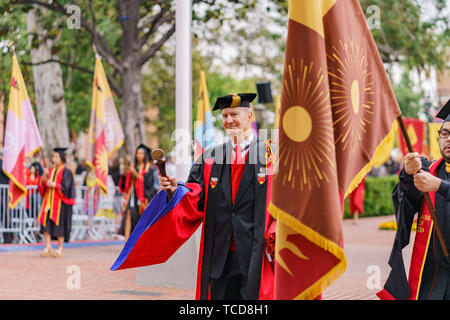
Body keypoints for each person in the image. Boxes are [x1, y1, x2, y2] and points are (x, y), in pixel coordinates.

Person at [158, 93, 275, 300]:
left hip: (255, 253)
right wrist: (176, 190)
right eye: (225, 116)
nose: (229, 121)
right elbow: (196, 196)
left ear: (249, 117)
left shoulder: (270, 155)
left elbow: (284, 201)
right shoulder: (210, 158)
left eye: (234, 114)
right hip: (219, 253)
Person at [378, 99, 450, 300]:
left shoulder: (434, 179)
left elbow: (438, 187)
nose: (448, 139)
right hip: (432, 279)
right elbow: (406, 204)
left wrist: (440, 186)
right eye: (444, 133)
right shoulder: (429, 170)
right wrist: (408, 177)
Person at [38, 147, 75, 258]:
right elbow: (42, 186)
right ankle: (48, 246)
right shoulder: (50, 170)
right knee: (46, 223)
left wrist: (54, 184)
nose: (54, 159)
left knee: (59, 226)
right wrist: (44, 177)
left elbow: (67, 188)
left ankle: (60, 248)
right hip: (49, 202)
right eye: (53, 157)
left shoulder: (66, 172)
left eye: (56, 157)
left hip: (60, 204)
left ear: (62, 158)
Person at [118, 144, 157, 240]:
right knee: (128, 215)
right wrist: (127, 163)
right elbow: (125, 176)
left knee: (142, 219)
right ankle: (126, 241)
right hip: (132, 196)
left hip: (144, 197)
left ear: (145, 155)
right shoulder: (133, 166)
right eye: (137, 153)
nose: (139, 155)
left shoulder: (149, 169)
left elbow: (147, 183)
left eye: (141, 153)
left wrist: (134, 173)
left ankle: (141, 240)